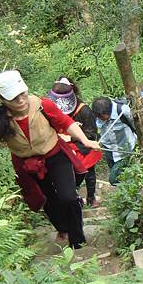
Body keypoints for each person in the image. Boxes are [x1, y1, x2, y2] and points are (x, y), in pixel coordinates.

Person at [0, 70, 101, 249]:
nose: (21, 100)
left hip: (55, 156)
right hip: (28, 165)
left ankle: (77, 239)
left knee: (68, 197)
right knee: (47, 199)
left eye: (22, 94)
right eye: (14, 98)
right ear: (2, 99)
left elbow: (66, 123)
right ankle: (63, 227)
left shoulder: (43, 105)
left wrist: (85, 140)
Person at [48, 77, 99, 207]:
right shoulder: (49, 110)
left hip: (83, 146)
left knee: (88, 171)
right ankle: (73, 197)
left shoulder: (84, 110)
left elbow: (91, 134)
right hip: (62, 147)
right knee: (66, 174)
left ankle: (91, 197)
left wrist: (71, 138)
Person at [91, 97, 136, 186]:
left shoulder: (123, 111)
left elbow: (134, 123)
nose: (102, 119)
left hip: (124, 150)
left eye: (103, 117)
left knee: (113, 179)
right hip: (109, 149)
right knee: (117, 172)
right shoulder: (96, 115)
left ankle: (131, 187)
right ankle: (125, 190)